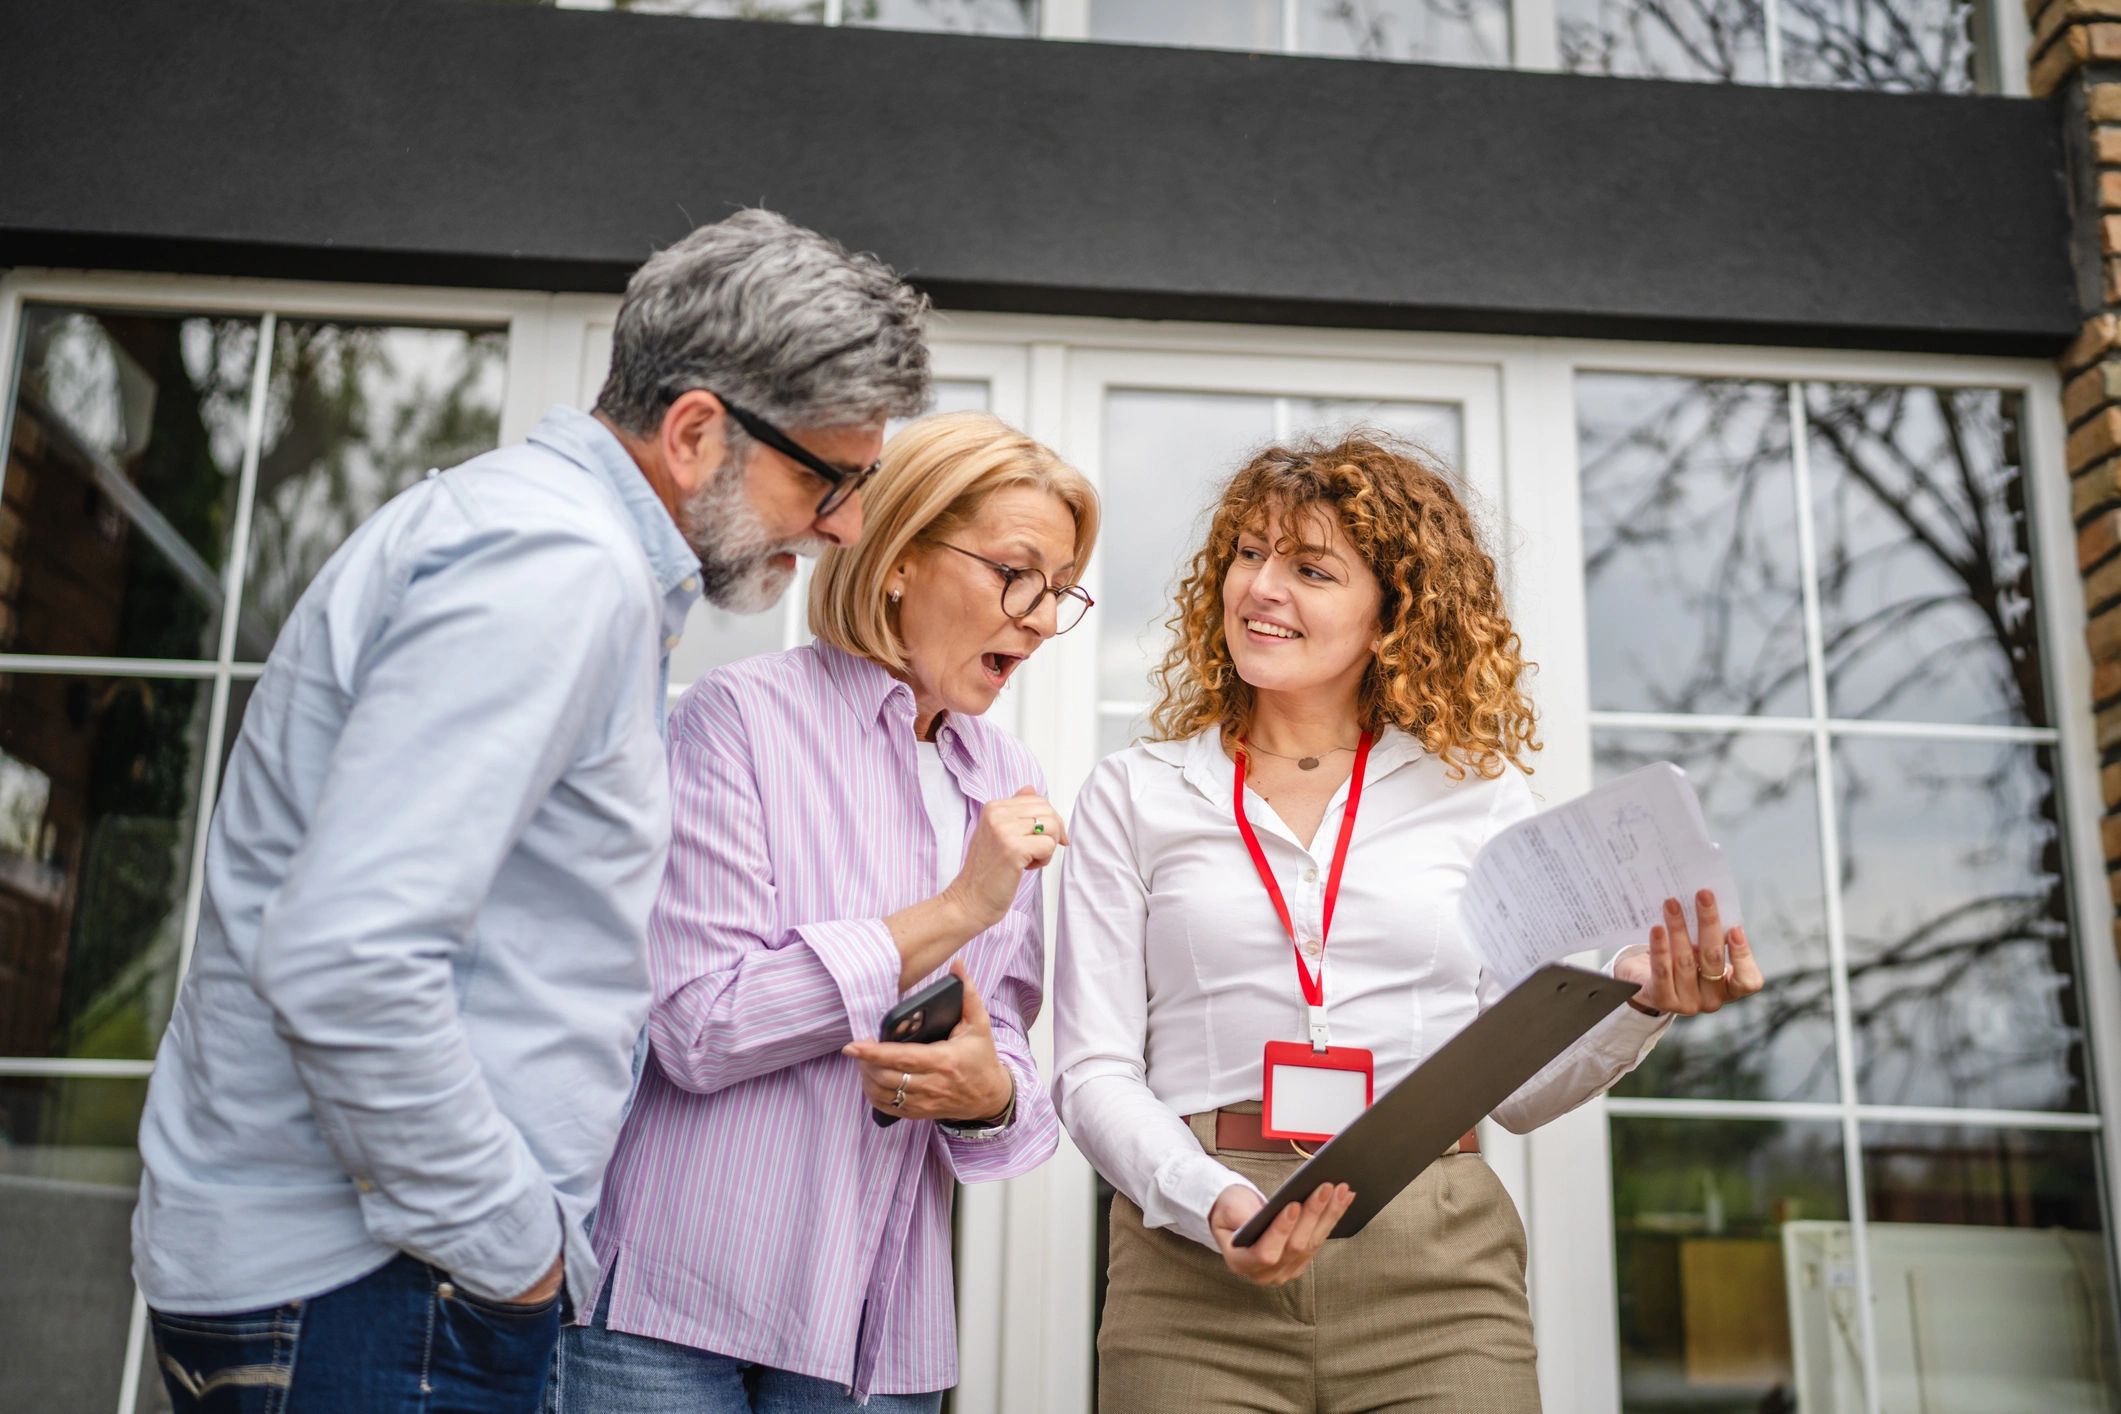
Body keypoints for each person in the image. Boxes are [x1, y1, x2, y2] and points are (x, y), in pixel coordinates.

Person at [131, 209, 931, 1413]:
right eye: (828, 477)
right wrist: (516, 1255)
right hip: (381, 1291)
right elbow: (349, 959)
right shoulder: (557, 565)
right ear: (697, 429)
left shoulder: (526, 536)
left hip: (377, 1283)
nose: (845, 526)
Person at [1052, 431, 1767, 1412]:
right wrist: (1209, 1198)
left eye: (1311, 568)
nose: (1261, 587)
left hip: (1439, 1273)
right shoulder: (1135, 794)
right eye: (1249, 554)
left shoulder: (1478, 796)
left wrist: (1639, 996)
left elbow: (1517, 1086)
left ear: (1395, 614)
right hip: (1194, 1264)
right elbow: (1091, 1070)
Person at [547, 410, 1097, 1414]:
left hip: (881, 1337)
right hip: (675, 1315)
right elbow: (698, 1025)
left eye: (1060, 590)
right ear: (899, 558)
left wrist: (987, 1093)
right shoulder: (737, 718)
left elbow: (1005, 1040)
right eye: (1017, 573)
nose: (1041, 617)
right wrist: (953, 910)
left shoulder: (1007, 776)